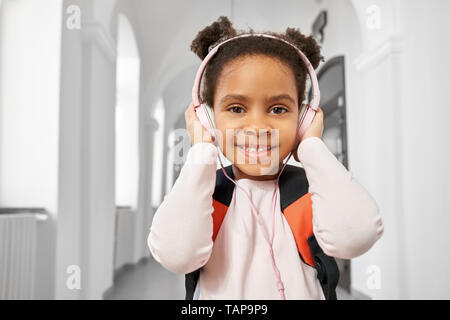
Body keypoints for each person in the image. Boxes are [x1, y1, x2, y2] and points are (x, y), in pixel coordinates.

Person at [147, 16, 384, 300]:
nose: (258, 127)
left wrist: (311, 147)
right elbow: (176, 254)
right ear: (208, 119)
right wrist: (200, 150)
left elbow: (357, 235)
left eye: (278, 109)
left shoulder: (311, 192)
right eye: (236, 108)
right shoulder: (206, 195)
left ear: (303, 118)